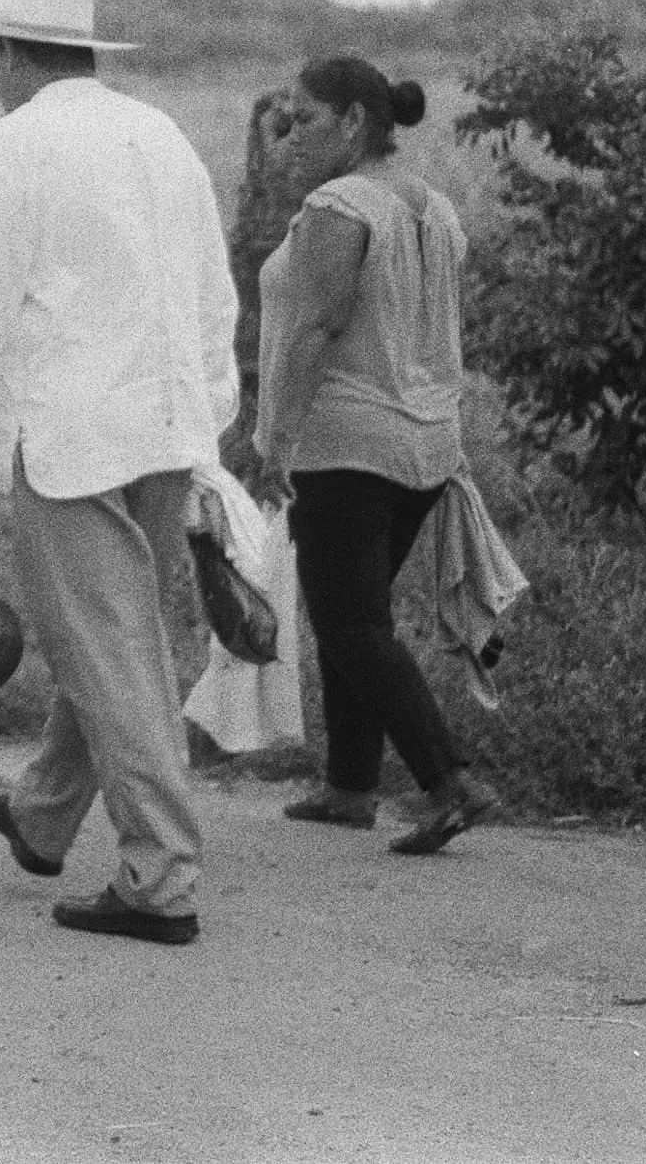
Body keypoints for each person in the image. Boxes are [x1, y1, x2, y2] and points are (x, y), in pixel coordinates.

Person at [0, 0, 238, 945]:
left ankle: (160, 876)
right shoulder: (162, 136)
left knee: (108, 643)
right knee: (117, 629)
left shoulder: (9, 147)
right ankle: (42, 805)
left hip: (73, 434)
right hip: (167, 425)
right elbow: (215, 291)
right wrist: (210, 423)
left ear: (16, 56)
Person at [251, 55, 501, 855]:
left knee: (351, 620)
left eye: (304, 120)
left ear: (354, 121)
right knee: (350, 611)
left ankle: (449, 778)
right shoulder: (433, 205)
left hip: (349, 443)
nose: (288, 137)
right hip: (427, 445)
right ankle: (349, 786)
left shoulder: (341, 202)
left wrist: (273, 438)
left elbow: (317, 328)